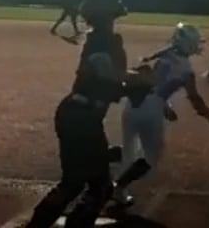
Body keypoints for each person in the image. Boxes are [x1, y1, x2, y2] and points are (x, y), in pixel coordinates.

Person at [24, 17, 131, 227]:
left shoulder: (99, 42)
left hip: (79, 117)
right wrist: (139, 82)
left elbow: (113, 78)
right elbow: (112, 80)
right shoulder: (102, 46)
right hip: (81, 119)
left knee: (94, 183)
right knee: (82, 184)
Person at [111, 23, 209, 210]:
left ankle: (99, 162)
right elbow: (195, 100)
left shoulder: (164, 56)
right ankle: (119, 187)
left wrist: (165, 107)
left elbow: (154, 86)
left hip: (132, 105)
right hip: (150, 111)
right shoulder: (186, 69)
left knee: (129, 150)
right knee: (151, 156)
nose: (197, 46)